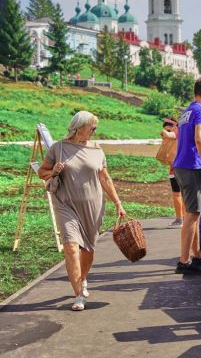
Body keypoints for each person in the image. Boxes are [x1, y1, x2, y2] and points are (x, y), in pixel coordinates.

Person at [38, 111, 126, 311]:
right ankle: (78, 294)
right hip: (65, 203)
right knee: (70, 246)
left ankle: (82, 279)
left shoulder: (97, 149)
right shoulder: (58, 148)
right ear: (79, 127)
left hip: (92, 206)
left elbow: (105, 178)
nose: (94, 131)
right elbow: (42, 172)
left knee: (88, 250)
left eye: (95, 127)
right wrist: (54, 171)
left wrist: (118, 203)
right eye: (91, 127)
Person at [173, 77, 201, 274]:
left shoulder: (187, 111)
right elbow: (200, 138)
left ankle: (197, 256)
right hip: (192, 166)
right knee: (191, 215)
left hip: (181, 165)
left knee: (195, 212)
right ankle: (183, 262)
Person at [161, 118, 183, 226]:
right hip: (177, 167)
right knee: (181, 194)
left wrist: (164, 132)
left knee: (177, 194)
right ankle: (182, 218)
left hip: (176, 168)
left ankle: (180, 219)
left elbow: (169, 135)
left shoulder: (177, 132)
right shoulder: (182, 132)